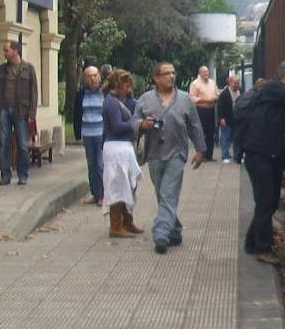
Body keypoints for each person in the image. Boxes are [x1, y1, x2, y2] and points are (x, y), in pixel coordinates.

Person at [237, 60, 285, 264]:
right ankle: (264, 248)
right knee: (266, 202)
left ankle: (252, 242)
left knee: (266, 202)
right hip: (260, 155)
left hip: (270, 156)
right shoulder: (273, 88)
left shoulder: (277, 100)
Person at [133, 62, 206, 254]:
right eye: (166, 74)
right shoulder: (145, 100)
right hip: (154, 154)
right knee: (163, 194)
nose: (171, 76)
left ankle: (161, 235)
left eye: (173, 73)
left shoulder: (184, 99)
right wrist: (142, 124)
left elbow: (195, 126)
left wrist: (200, 150)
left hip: (177, 153)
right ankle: (174, 230)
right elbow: (133, 123)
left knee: (168, 192)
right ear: (156, 78)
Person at [101, 70, 144, 237]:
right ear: (119, 86)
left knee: (127, 185)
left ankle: (127, 220)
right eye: (126, 86)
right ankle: (116, 225)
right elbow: (117, 126)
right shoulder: (111, 103)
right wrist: (136, 124)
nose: (128, 90)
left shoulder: (117, 101)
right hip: (116, 147)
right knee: (118, 185)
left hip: (122, 147)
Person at [0, 40, 38, 186]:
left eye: (6, 50)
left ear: (16, 51)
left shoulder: (28, 69)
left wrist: (32, 113)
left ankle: (23, 174)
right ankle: (5, 175)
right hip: (3, 109)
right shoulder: (2, 69)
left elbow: (34, 92)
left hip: (21, 110)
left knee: (22, 144)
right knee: (4, 143)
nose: (4, 53)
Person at [70, 65, 106, 206]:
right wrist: (77, 132)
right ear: (85, 78)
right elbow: (77, 114)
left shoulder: (105, 93)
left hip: (101, 132)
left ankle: (103, 194)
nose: (92, 79)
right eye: (89, 76)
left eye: (94, 75)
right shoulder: (81, 94)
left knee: (100, 163)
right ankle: (95, 194)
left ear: (99, 76)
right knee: (91, 164)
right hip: (87, 132)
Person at [189, 65, 218, 161]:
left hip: (211, 110)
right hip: (201, 111)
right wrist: (205, 100)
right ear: (200, 73)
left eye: (207, 72)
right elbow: (192, 98)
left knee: (211, 133)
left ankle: (209, 155)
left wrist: (215, 97)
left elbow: (217, 93)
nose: (206, 73)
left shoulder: (212, 83)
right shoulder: (195, 84)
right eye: (204, 72)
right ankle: (202, 155)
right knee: (201, 133)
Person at [217, 75, 243, 163]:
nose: (236, 85)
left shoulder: (240, 92)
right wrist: (221, 118)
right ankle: (225, 155)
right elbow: (220, 107)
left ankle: (238, 156)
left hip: (237, 119)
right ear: (230, 83)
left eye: (238, 83)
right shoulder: (224, 93)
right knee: (225, 137)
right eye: (235, 83)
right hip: (227, 119)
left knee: (238, 138)